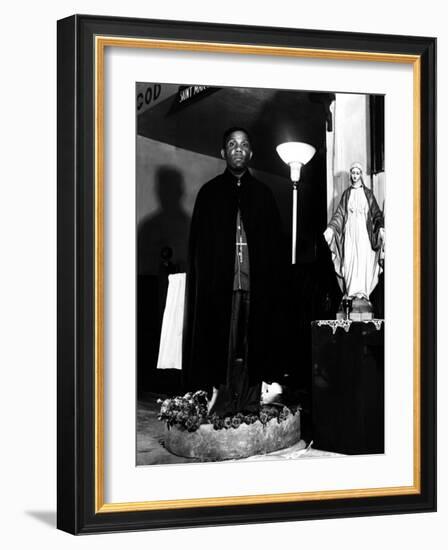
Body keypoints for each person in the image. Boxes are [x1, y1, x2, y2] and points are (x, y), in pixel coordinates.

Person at [182, 127, 287, 416]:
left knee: (252, 346)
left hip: (256, 287)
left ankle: (252, 403)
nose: (238, 148)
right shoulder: (209, 194)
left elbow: (275, 251)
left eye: (243, 144)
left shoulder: (264, 196)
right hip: (221, 289)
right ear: (223, 152)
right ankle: (222, 403)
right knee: (224, 348)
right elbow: (200, 250)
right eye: (232, 143)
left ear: (251, 153)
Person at [323, 162, 385, 317]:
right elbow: (339, 215)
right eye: (353, 173)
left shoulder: (368, 194)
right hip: (350, 234)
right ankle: (350, 294)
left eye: (358, 173)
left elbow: (376, 214)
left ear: (361, 174)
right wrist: (331, 228)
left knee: (362, 261)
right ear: (351, 175)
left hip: (364, 234)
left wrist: (381, 228)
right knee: (350, 260)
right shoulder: (346, 194)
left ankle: (362, 295)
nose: (355, 175)